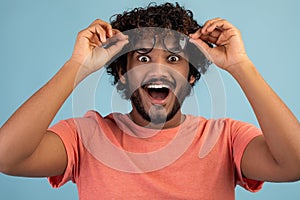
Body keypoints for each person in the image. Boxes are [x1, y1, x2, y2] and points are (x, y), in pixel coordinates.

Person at [0, 2, 299, 199]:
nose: (158, 69)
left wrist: (240, 65)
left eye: (173, 58)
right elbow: (7, 157)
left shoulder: (225, 139)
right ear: (122, 71)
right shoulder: (86, 137)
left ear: (191, 75)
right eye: (143, 57)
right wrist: (77, 66)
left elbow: (293, 165)